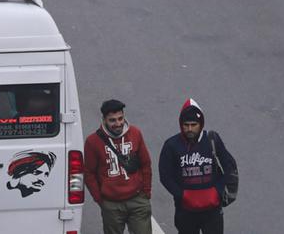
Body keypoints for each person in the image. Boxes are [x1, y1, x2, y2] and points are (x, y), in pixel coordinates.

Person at [158, 99, 239, 234]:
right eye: (186, 125)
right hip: (185, 211)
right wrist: (181, 195)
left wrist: (218, 191)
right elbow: (165, 176)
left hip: (212, 212)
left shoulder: (212, 140)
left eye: (194, 125)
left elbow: (229, 166)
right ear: (181, 124)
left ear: (201, 124)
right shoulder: (171, 145)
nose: (190, 129)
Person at [85, 99, 153, 234]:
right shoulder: (92, 141)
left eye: (120, 118)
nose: (118, 123)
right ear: (104, 120)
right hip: (111, 204)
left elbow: (146, 164)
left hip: (138, 199)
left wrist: (146, 192)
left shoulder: (135, 133)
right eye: (112, 120)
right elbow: (89, 173)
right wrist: (100, 199)